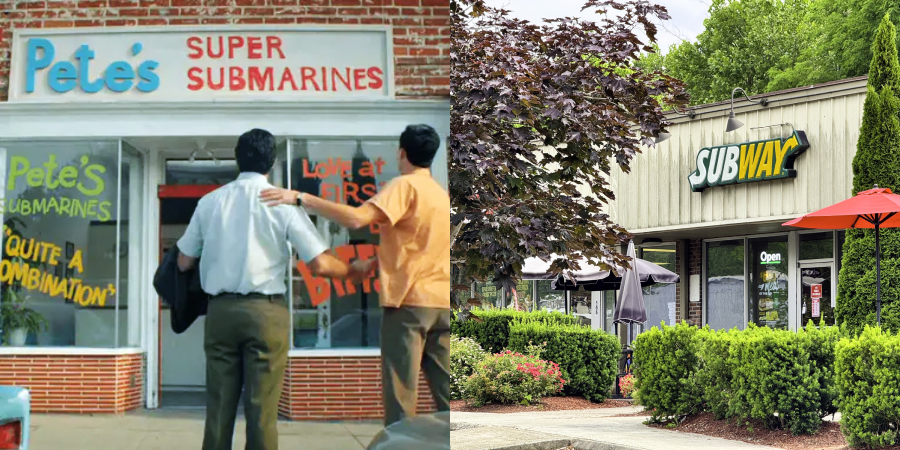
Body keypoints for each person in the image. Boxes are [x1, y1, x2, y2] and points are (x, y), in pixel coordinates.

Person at [176, 128, 363, 450]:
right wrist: (352, 272)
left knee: (218, 409)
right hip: (266, 312)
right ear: (271, 161)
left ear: (237, 158)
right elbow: (319, 264)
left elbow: (183, 262)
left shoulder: (210, 203)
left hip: (220, 312)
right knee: (262, 412)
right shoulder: (282, 203)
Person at [259, 124, 451, 426]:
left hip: (408, 305)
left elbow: (357, 218)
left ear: (402, 152)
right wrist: (375, 263)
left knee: (401, 402)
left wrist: (300, 197)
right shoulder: (439, 195)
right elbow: (418, 245)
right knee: (448, 398)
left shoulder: (404, 186)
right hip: (440, 303)